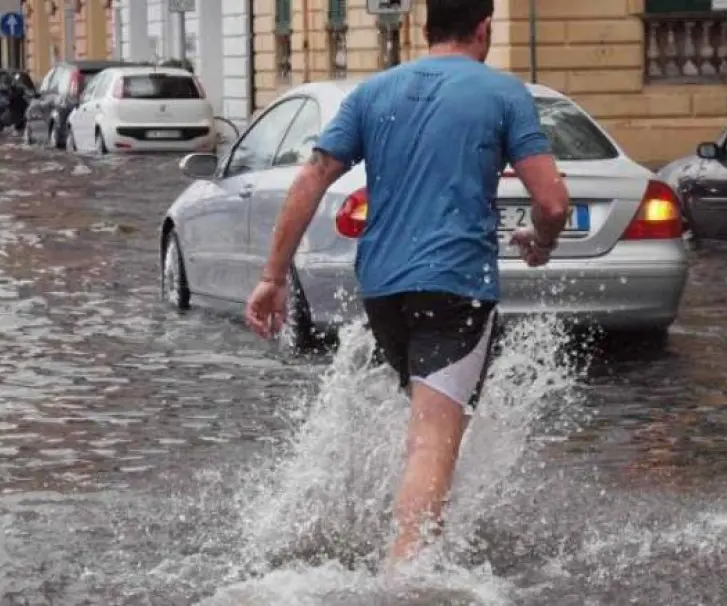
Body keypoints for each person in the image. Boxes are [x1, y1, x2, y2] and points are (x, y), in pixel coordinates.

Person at [244, 0, 570, 565]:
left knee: (423, 426)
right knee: (433, 442)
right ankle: (408, 578)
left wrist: (273, 276)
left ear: (425, 28)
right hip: (454, 285)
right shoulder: (503, 94)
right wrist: (541, 242)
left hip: (381, 289)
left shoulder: (373, 93)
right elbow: (553, 201)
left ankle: (407, 539)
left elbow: (313, 175)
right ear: (484, 28)